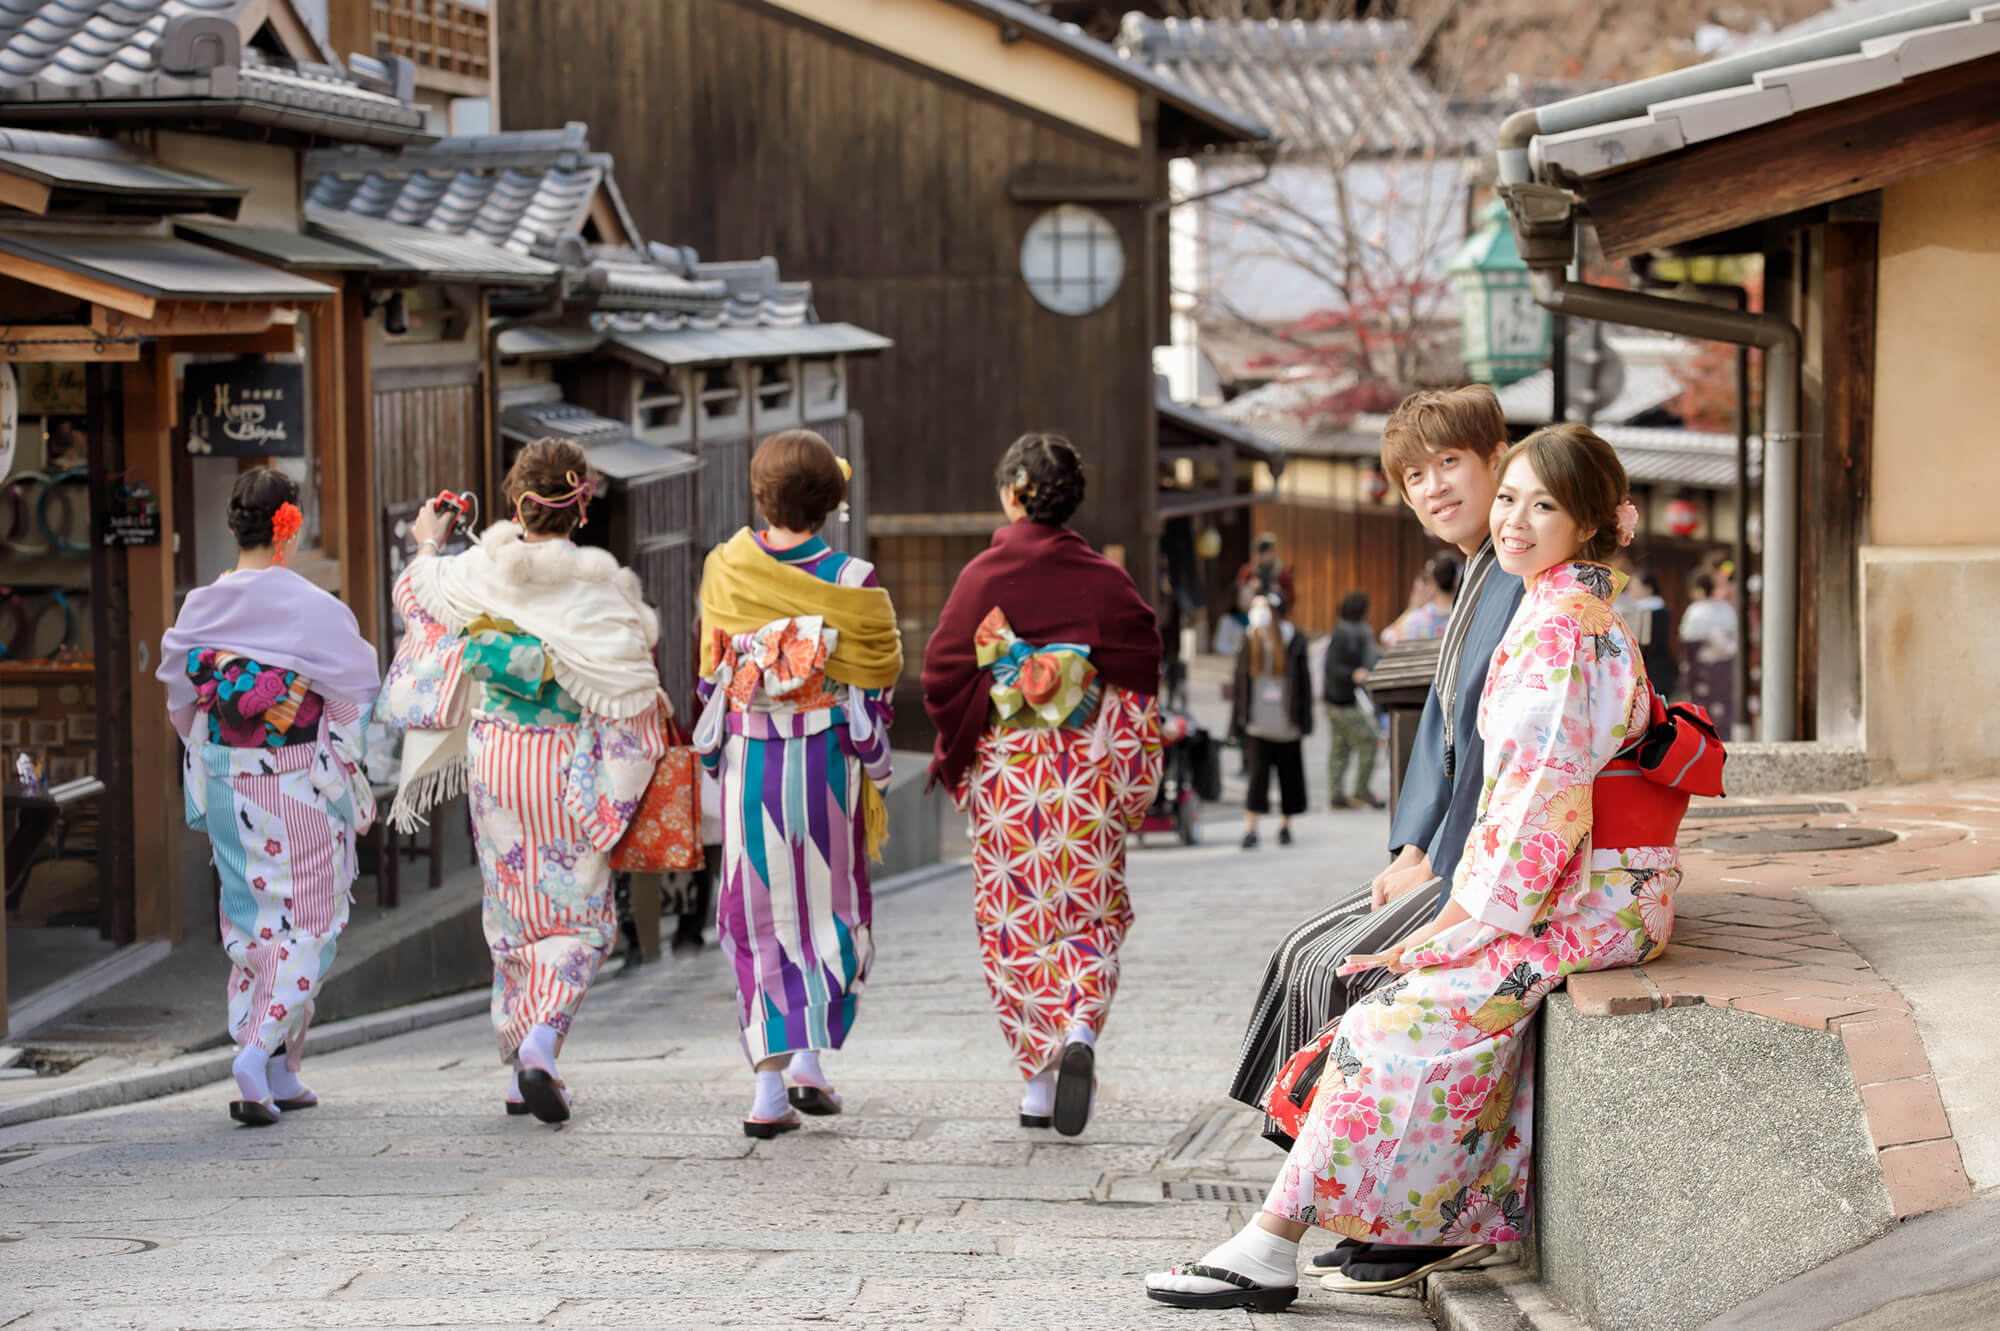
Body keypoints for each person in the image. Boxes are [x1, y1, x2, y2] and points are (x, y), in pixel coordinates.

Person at [1149, 422, 1675, 1310]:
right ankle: (1347, 1227)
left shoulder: (1562, 631)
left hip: (1588, 896)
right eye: (1508, 498)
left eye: (1542, 505)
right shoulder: (1565, 610)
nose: (1513, 521)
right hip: (1574, 884)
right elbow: (1523, 806)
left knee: (1387, 1023)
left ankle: (1277, 1240)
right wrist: (1455, 914)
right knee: (1386, 1001)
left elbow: (1540, 805)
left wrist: (1456, 922)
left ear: (1588, 522)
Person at [1223, 386, 1526, 1246]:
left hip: (1494, 858)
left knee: (1344, 965)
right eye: (1414, 477)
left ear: (1495, 456)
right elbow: (1439, 727)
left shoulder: (1515, 571)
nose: (1433, 488)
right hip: (1451, 846)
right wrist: (1410, 841)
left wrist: (1443, 855)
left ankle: (1370, 1208)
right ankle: (1346, 1192)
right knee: (1300, 953)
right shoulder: (1479, 569)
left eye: (1449, 465)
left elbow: (1494, 745)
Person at [383, 438, 668, 1124]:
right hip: (568, 763)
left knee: (512, 909)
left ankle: (518, 1067)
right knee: (581, 917)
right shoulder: (600, 588)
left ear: (517, 503)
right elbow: (632, 691)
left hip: (498, 758)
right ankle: (541, 1042)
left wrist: (429, 541)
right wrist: (621, 784)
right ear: (583, 512)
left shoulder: (480, 570)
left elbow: (417, 600)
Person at [923, 433, 1163, 1137]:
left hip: (1011, 781)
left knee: (1014, 925)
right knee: (1087, 916)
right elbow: (1142, 669)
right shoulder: (1108, 580)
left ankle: (1036, 1082)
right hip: (1085, 774)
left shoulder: (982, 576)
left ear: (1010, 493)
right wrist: (1127, 781)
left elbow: (941, 674)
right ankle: (1081, 1020)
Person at [695, 429, 902, 1138]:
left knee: (756, 918)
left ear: (761, 493)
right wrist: (874, 755)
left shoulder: (726, 568)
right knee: (827, 910)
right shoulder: (854, 580)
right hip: (823, 767)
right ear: (832, 501)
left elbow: (710, 676)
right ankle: (810, 1058)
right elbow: (875, 677)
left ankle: (770, 1087)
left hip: (752, 761)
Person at [159, 468, 380, 1126]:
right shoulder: (312, 606)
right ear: (294, 522)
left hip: (230, 783)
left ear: (237, 525)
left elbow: (181, 700)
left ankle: (283, 1071)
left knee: (256, 920)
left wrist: (233, 710)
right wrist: (311, 713)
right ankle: (255, 1053)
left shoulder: (201, 606)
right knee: (309, 922)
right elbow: (354, 694)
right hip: (296, 785)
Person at [1233, 592, 1311, 850]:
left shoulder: (1293, 640)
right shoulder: (1248, 639)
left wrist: (1305, 719)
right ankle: (1251, 828)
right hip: (1257, 722)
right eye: (1254, 607)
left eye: (1262, 607)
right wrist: (1236, 722)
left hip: (1287, 723)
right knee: (1256, 780)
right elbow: (1239, 685)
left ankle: (1285, 826)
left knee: (1289, 778)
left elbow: (1304, 684)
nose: (1257, 612)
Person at [1321, 590, 1381, 810]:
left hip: (1337, 698)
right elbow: (1332, 667)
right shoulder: (1346, 633)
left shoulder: (1348, 630)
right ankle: (1361, 790)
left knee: (1341, 746)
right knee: (1370, 739)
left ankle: (1337, 795)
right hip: (1340, 700)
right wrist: (1353, 674)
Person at [1681, 567, 1737, 736]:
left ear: (1698, 590)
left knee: (1702, 709)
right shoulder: (1726, 609)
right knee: (1723, 707)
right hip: (1725, 664)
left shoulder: (1696, 611)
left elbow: (1688, 640)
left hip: (1702, 668)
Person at [1381, 552, 1460, 647]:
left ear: (1433, 581)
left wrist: (1412, 608)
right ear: (1457, 581)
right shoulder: (1465, 615)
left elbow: (1387, 638)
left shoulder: (1416, 619)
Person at [1630, 568, 1679, 700]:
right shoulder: (1662, 609)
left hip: (1652, 669)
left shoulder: (1649, 612)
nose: (1631, 590)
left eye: (1635, 586)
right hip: (1662, 668)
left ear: (1648, 588)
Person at [1235, 533, 1297, 620]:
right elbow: (1238, 591)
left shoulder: (1282, 572)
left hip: (1276, 616)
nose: (1265, 556)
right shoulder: (1248, 570)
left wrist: (1280, 591)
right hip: (1252, 613)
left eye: (1267, 552)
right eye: (1262, 553)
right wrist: (1249, 586)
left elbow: (1291, 598)